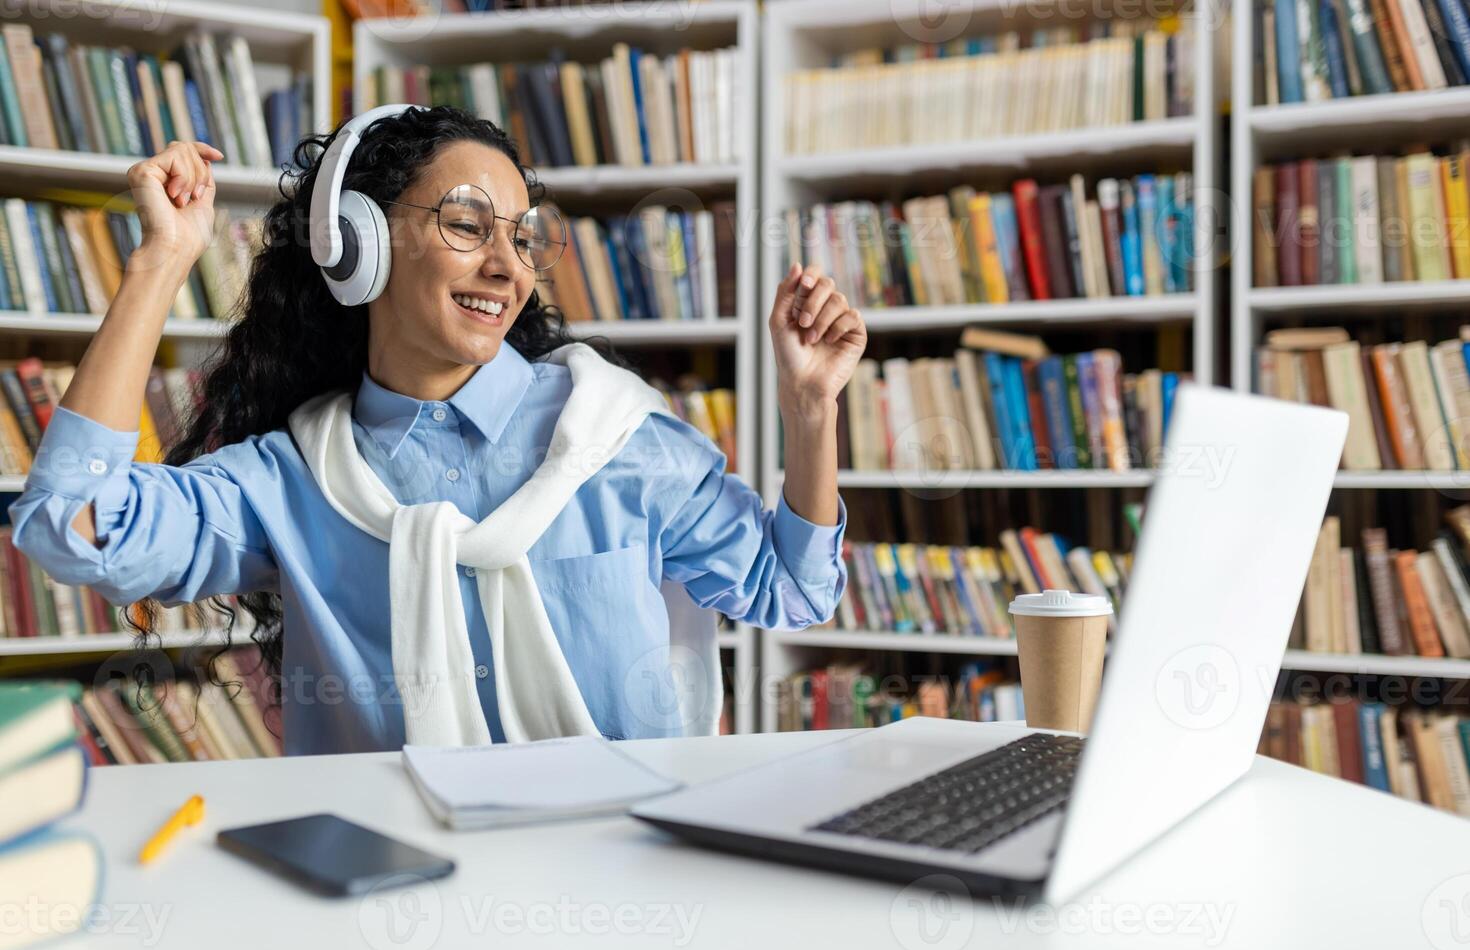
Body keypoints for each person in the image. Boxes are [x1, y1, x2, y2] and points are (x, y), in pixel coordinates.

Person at [7, 105, 866, 754]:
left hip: (620, 895)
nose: (506, 265)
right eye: (465, 225)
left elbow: (792, 589)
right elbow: (76, 530)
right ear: (360, 244)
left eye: (523, 238)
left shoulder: (615, 436)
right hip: (386, 899)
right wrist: (161, 263)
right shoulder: (293, 478)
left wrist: (811, 413)